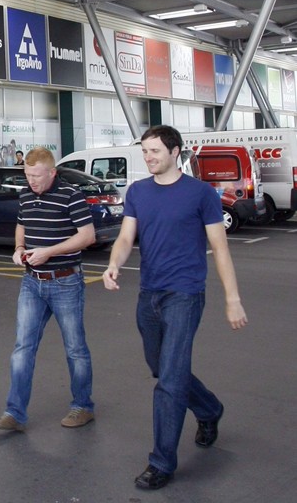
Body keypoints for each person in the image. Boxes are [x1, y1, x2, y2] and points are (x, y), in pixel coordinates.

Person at [103, 125, 247, 491]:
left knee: (169, 380)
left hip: (185, 294)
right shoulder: (137, 192)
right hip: (149, 294)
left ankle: (161, 463)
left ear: (175, 151)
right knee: (161, 367)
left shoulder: (200, 194)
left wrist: (233, 299)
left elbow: (221, 249)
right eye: (145, 152)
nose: (148, 158)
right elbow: (125, 237)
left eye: (154, 151)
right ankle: (209, 409)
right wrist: (114, 263)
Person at [0, 146, 97, 432]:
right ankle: (14, 413)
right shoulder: (25, 194)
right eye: (27, 175)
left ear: (52, 173)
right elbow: (21, 225)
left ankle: (83, 407)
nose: (31, 181)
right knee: (22, 348)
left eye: (36, 176)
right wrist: (19, 248)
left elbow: (87, 236)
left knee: (75, 349)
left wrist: (49, 251)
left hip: (66, 281)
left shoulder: (71, 196)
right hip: (32, 282)